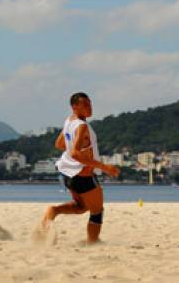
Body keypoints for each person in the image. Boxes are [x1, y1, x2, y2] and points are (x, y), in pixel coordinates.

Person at [41, 92, 120, 244]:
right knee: (97, 211)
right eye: (85, 104)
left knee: (81, 207)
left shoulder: (69, 121)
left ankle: (54, 211)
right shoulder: (82, 126)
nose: (89, 107)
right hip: (83, 176)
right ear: (74, 107)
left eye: (90, 103)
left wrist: (75, 149)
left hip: (67, 173)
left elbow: (59, 144)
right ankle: (93, 242)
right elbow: (76, 153)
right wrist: (105, 167)